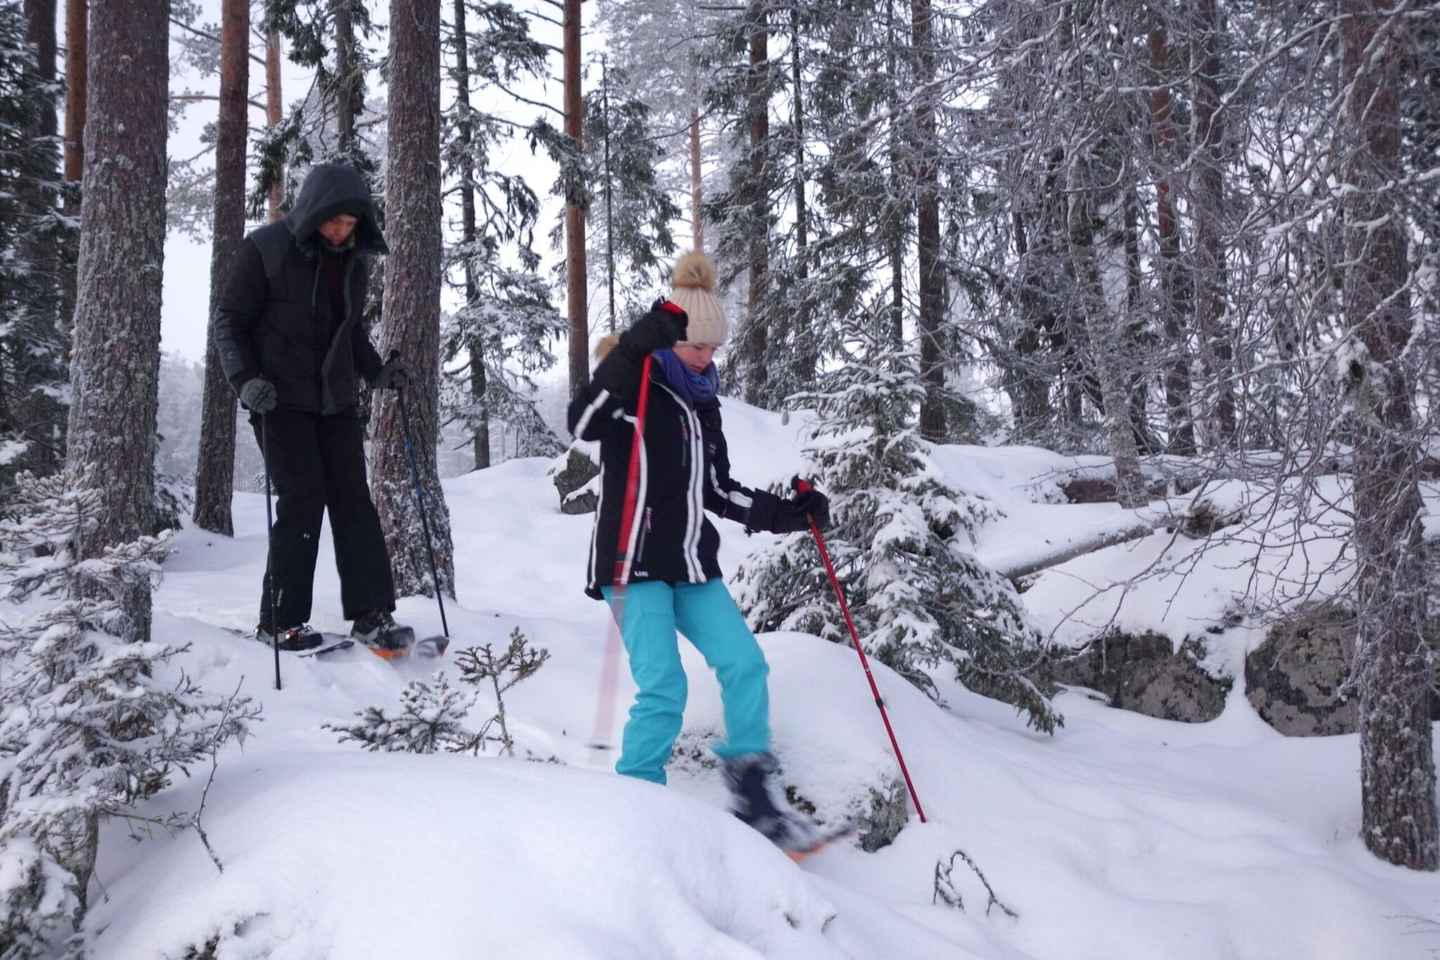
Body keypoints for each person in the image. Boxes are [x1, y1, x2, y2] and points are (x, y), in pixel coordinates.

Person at [567, 251, 832, 852]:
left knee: (745, 663)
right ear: (668, 340)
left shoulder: (702, 404)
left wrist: (787, 515)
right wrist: (630, 350)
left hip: (691, 564)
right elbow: (581, 423)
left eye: (712, 349)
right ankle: (639, 806)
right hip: (632, 564)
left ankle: (754, 794)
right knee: (664, 688)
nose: (705, 358)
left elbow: (716, 488)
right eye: (693, 346)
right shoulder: (631, 386)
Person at [212, 162, 412, 655]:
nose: (341, 231)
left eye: (350, 223)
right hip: (278, 400)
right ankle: (280, 622)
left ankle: (371, 615)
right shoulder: (265, 249)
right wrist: (245, 381)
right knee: (303, 498)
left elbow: (350, 332)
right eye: (333, 221)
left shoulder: (354, 262)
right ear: (313, 211)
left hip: (335, 401)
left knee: (354, 500)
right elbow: (229, 321)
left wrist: (376, 373)